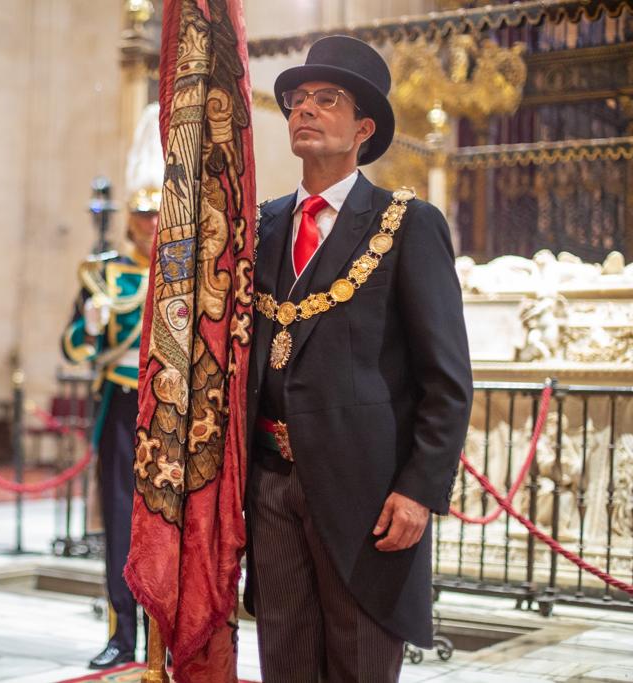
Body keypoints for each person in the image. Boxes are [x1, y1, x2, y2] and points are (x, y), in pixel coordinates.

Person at [244, 36, 473, 682]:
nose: (304, 111)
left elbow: (447, 381)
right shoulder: (262, 229)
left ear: (363, 128)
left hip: (367, 496)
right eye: (295, 102)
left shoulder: (407, 225)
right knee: (283, 666)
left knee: (358, 668)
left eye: (326, 100)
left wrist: (418, 490)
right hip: (270, 485)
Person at [61, 103, 161, 671]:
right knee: (121, 519)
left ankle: (164, 634)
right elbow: (73, 347)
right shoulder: (104, 274)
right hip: (123, 404)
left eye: (157, 215)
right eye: (142, 215)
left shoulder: (184, 270)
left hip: (172, 409)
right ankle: (123, 632)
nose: (149, 225)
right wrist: (91, 324)